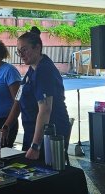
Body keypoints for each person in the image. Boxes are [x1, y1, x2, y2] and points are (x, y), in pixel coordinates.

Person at [6, 26, 71, 161]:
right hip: (31, 131)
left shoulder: (44, 70)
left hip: (48, 135)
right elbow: (19, 98)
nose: (21, 55)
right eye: (19, 52)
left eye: (24, 50)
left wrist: (36, 146)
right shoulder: (32, 70)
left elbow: (45, 110)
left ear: (37, 47)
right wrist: (7, 126)